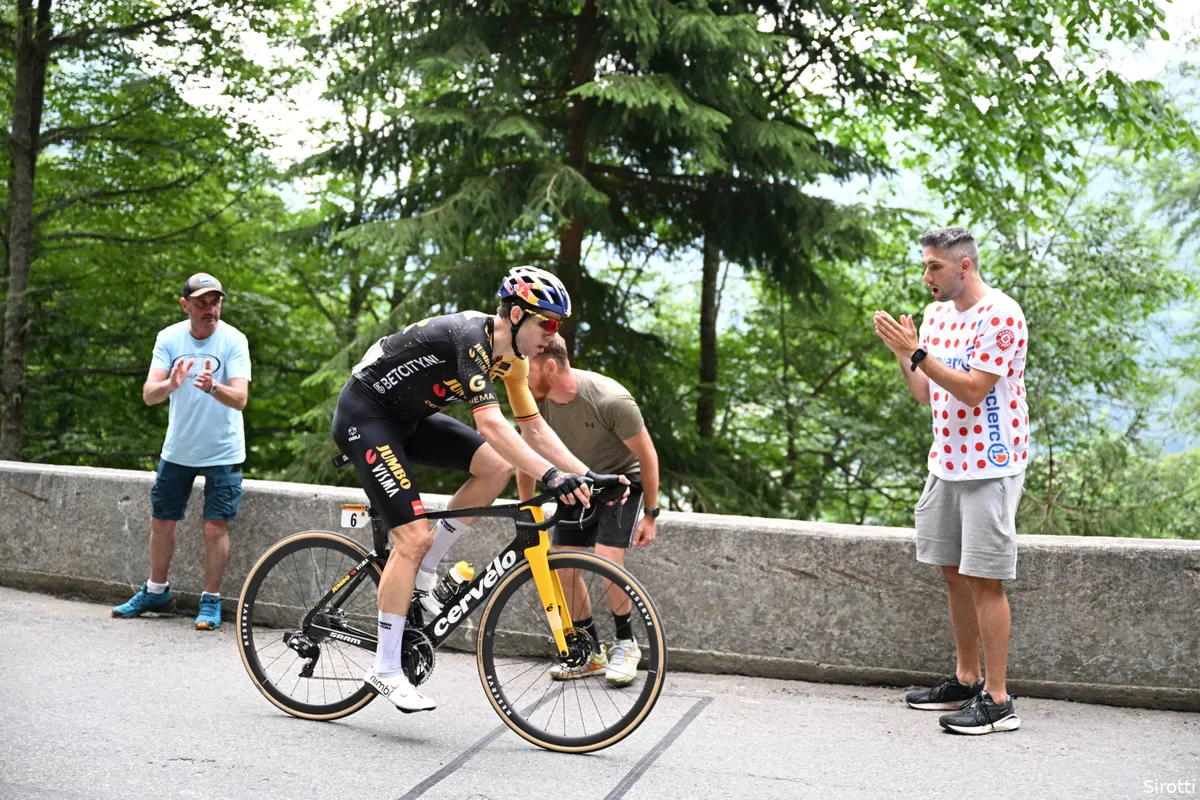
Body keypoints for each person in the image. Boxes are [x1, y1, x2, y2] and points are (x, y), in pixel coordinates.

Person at [332, 266, 627, 713]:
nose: (552, 334)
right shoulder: (470, 337)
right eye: (546, 322)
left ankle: (427, 571)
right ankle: (386, 669)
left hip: (408, 419)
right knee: (410, 539)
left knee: (495, 467)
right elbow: (489, 423)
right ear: (514, 314)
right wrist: (551, 477)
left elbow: (533, 428)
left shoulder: (515, 360)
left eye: (558, 325)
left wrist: (586, 475)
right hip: (365, 415)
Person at [873, 226, 1030, 735]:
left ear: (964, 266)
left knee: (985, 578)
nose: (926, 277)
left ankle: (999, 701)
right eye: (924, 266)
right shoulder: (936, 314)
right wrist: (904, 351)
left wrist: (918, 352)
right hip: (946, 461)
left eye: (934, 267)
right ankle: (966, 678)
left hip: (993, 465)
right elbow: (924, 392)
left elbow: (971, 390)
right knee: (953, 573)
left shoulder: (1001, 315)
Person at [515, 334, 660, 686]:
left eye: (528, 366)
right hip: (577, 482)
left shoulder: (609, 400)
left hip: (621, 481)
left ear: (549, 366)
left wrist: (651, 515)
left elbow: (647, 454)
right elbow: (527, 454)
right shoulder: (535, 400)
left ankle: (626, 644)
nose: (520, 375)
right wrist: (526, 509)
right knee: (562, 561)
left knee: (607, 558)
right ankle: (590, 650)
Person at [113, 273, 252, 630]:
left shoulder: (234, 340)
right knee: (161, 521)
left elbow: (240, 399)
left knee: (213, 528)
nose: (210, 309)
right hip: (178, 448)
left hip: (223, 451)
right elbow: (149, 394)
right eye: (202, 302)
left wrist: (213, 387)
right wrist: (171, 383)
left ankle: (211, 601)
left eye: (216, 301)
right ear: (185, 304)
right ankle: (156, 591)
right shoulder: (169, 338)